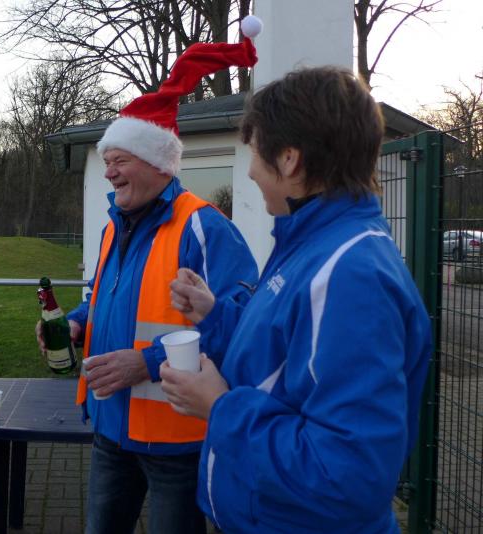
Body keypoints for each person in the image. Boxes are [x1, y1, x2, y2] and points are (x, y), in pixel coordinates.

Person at [160, 66, 433, 533]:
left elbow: (347, 477)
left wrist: (221, 408)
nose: (250, 170)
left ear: (289, 160)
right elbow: (282, 359)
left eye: (255, 153)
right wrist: (215, 315)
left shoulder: (350, 276)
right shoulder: (309, 242)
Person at [36, 19, 263, 534]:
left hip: (176, 439)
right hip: (110, 427)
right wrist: (76, 322)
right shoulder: (112, 228)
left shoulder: (204, 226)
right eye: (107, 161)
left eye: (119, 160)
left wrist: (146, 362)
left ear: (158, 163)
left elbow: (239, 320)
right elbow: (103, 298)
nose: (109, 172)